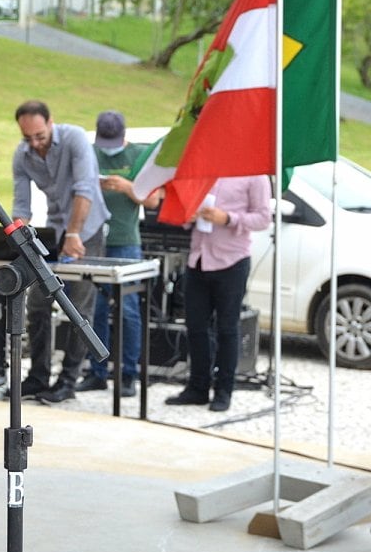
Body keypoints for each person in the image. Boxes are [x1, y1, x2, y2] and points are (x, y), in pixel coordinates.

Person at [12, 99, 110, 403]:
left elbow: (86, 189)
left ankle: (68, 380)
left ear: (50, 122)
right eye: (28, 137)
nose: (35, 143)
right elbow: (21, 204)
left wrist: (74, 233)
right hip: (54, 232)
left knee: (78, 308)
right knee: (38, 305)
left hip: (87, 229)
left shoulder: (75, 138)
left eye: (39, 136)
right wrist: (19, 234)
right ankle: (38, 377)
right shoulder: (23, 154)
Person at [165, 175, 272, 412]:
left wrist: (228, 218)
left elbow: (264, 217)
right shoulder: (207, 168)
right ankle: (197, 387)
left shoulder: (255, 175)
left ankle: (224, 391)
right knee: (196, 327)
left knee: (227, 328)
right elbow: (186, 206)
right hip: (199, 258)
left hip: (232, 260)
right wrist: (189, 216)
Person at [76, 110, 160, 397]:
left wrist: (127, 187)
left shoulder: (138, 155)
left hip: (126, 241)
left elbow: (152, 200)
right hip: (93, 239)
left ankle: (128, 373)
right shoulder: (89, 152)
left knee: (129, 310)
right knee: (94, 309)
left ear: (124, 136)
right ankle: (96, 370)